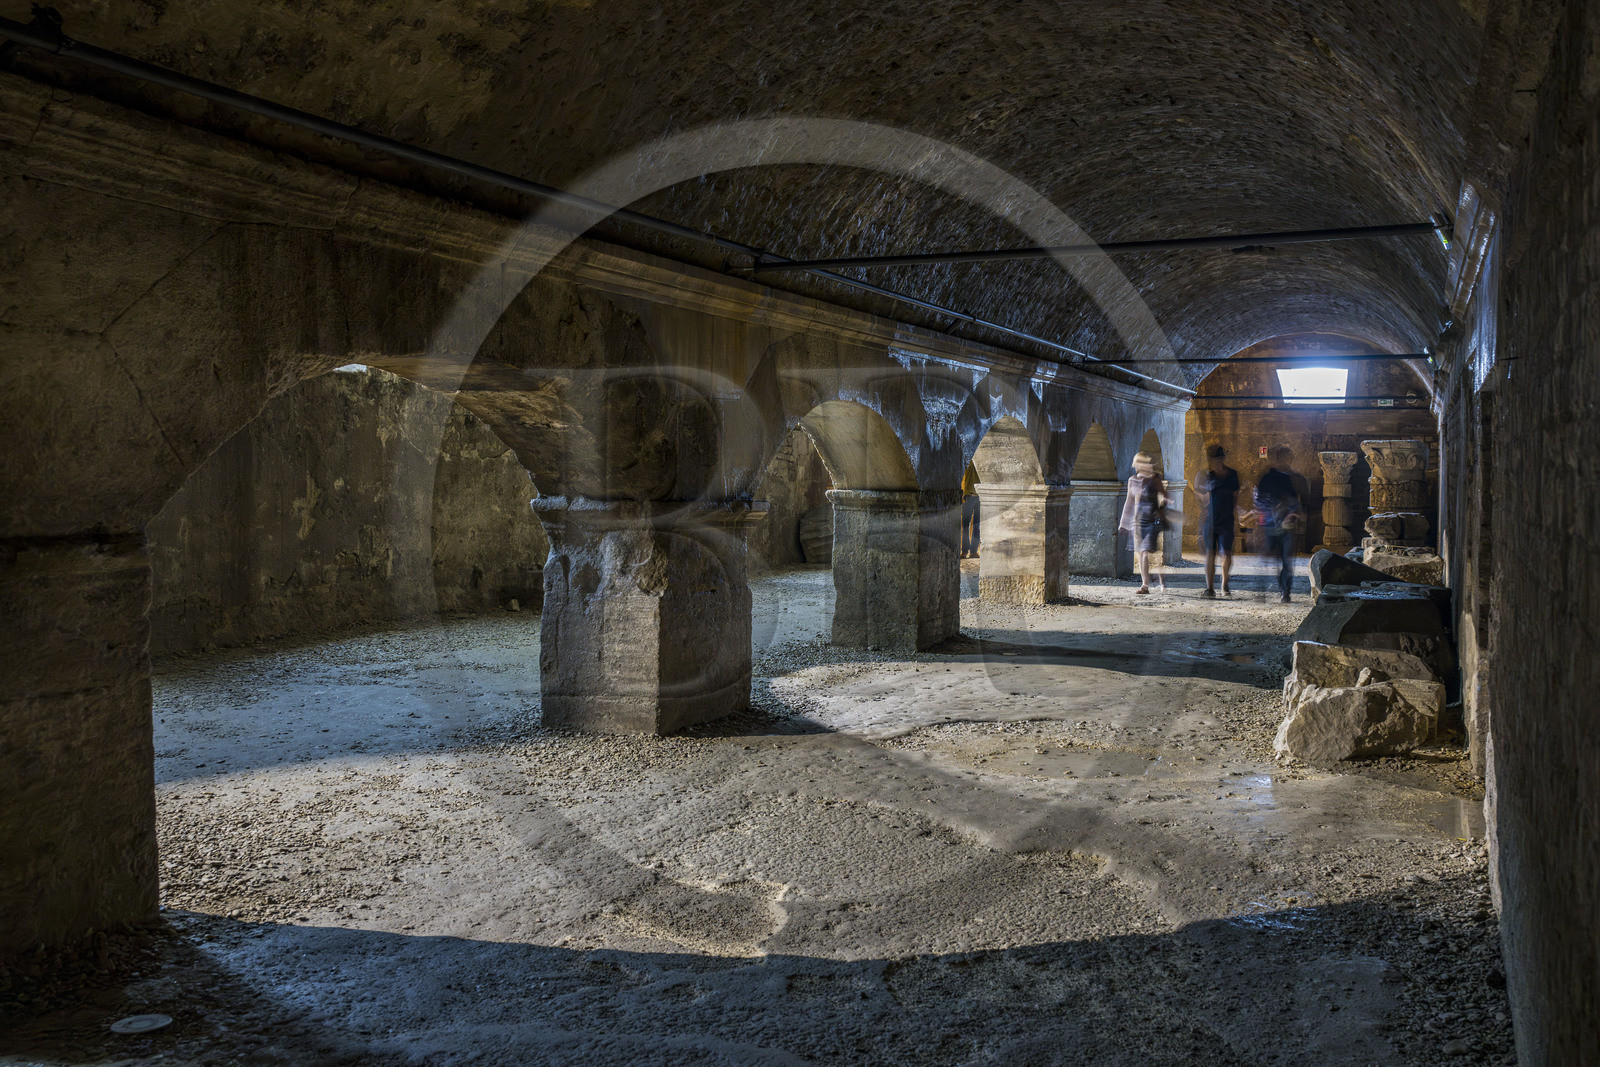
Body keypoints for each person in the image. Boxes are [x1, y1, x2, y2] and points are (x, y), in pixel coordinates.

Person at [1253, 446, 1305, 603]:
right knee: (1273, 558)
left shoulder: (1293, 478)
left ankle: (1284, 591)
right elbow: (1259, 498)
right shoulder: (1269, 478)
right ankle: (1270, 590)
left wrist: (1293, 514)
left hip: (1284, 525)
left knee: (1284, 559)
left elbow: (1297, 502)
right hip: (1271, 524)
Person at [1118, 451, 1169, 594]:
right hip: (1138, 521)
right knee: (1141, 553)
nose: (1148, 466)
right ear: (1138, 465)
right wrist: (1124, 522)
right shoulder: (1132, 480)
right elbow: (1129, 502)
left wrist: (1161, 508)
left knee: (1146, 551)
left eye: (1149, 463)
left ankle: (1156, 579)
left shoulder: (1155, 480)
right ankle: (1145, 584)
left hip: (1152, 520)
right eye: (1144, 463)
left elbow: (1165, 496)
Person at [1193, 444, 1240, 598]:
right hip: (1210, 521)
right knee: (1210, 555)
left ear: (1223, 458)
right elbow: (1201, 497)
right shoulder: (1208, 476)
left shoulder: (1232, 475)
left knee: (1226, 554)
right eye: (1214, 459)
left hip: (1226, 519)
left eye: (1219, 459)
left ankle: (1225, 585)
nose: (1216, 462)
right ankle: (1209, 588)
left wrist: (1232, 515)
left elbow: (1235, 497)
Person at [960, 463, 980, 559]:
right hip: (968, 497)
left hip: (980, 498)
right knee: (966, 526)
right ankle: (964, 551)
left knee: (977, 526)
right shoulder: (968, 462)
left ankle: (973, 551)